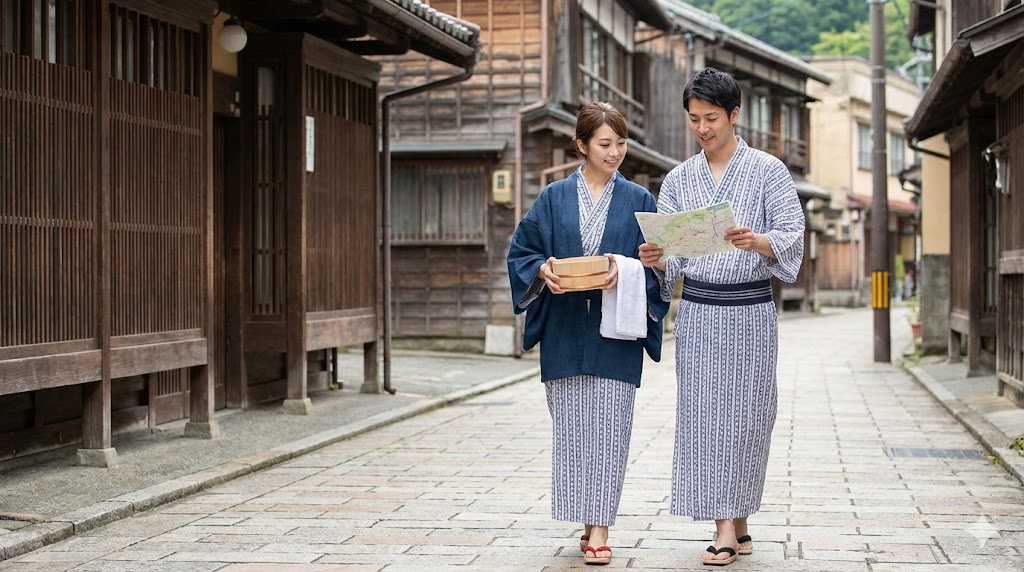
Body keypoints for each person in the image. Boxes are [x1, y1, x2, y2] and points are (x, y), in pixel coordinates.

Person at [638, 68, 805, 567]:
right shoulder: (679, 179)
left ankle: (734, 520)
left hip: (751, 310)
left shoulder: (769, 171)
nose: (703, 128)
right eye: (694, 119)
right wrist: (659, 258)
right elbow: (672, 254)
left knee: (749, 417)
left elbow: (792, 232)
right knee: (704, 418)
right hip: (700, 314)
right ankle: (727, 525)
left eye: (712, 117)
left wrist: (759, 240)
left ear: (735, 115)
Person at [507, 102, 669, 566]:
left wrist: (640, 266)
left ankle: (600, 528)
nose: (615, 151)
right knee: (575, 431)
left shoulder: (640, 199)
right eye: (605, 143)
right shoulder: (553, 197)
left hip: (616, 334)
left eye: (621, 143)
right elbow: (522, 252)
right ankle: (586, 519)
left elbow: (659, 264)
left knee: (611, 430)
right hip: (564, 328)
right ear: (581, 145)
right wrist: (543, 270)